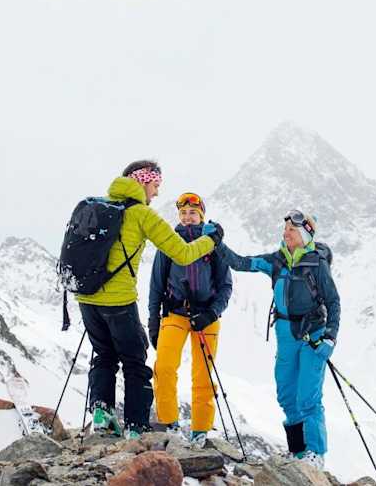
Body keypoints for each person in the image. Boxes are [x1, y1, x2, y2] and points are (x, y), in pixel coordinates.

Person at [77, 160, 224, 440]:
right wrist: (212, 240)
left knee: (104, 355)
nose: (156, 193)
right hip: (118, 301)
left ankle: (101, 412)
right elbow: (181, 253)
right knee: (136, 362)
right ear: (143, 181)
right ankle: (136, 428)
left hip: (86, 298)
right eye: (155, 185)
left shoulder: (98, 204)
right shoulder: (142, 214)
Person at [225, 209, 340, 469]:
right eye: (285, 229)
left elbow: (333, 302)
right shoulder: (276, 261)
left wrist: (330, 338)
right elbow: (241, 262)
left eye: (291, 229)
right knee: (286, 394)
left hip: (313, 336)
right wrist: (217, 243)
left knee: (308, 397)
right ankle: (298, 452)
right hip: (285, 335)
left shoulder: (316, 263)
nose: (286, 233)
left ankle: (315, 454)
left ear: (304, 234)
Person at [148, 192, 234, 446]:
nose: (187, 218)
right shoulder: (168, 244)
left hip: (206, 317)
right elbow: (155, 286)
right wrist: (154, 322)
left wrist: (211, 312)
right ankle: (170, 424)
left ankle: (200, 431)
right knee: (163, 368)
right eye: (183, 213)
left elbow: (226, 286)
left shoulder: (213, 245)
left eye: (193, 213)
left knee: (203, 375)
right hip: (175, 313)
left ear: (201, 216)